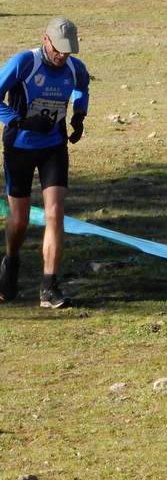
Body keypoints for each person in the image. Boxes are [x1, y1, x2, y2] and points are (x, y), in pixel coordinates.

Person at [0, 17, 90, 308]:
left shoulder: (75, 68)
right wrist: (19, 121)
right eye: (57, 49)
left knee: (55, 212)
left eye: (67, 50)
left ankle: (49, 287)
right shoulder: (24, 63)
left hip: (54, 147)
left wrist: (79, 115)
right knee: (20, 220)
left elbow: (82, 87)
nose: (62, 55)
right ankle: (11, 260)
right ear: (45, 39)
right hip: (20, 147)